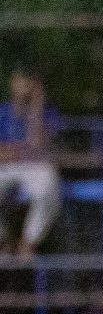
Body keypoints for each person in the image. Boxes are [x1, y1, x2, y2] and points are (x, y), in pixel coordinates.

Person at [0, 67, 63, 262]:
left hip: (35, 167)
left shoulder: (48, 112)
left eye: (29, 81)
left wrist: (37, 103)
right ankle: (3, 242)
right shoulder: (3, 111)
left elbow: (37, 145)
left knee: (48, 189)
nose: (23, 86)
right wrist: (18, 152)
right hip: (7, 167)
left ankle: (28, 242)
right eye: (20, 80)